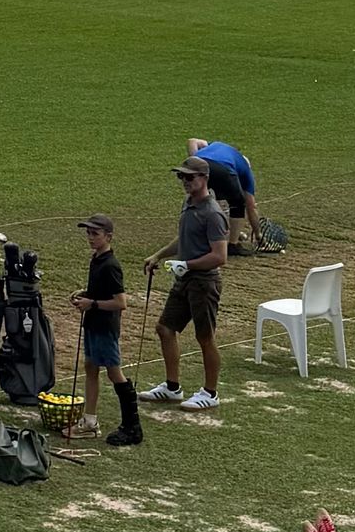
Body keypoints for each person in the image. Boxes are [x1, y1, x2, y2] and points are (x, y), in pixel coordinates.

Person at [142, 159, 230, 410]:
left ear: (204, 178)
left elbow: (219, 256)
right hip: (185, 278)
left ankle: (210, 393)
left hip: (204, 282)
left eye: (189, 178)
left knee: (205, 337)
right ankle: (172, 387)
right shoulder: (189, 204)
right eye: (182, 178)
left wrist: (188, 265)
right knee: (165, 329)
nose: (184, 182)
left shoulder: (213, 213)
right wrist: (158, 255)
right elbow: (184, 238)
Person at [71, 216, 140, 448]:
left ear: (108, 237)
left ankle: (132, 424)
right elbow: (100, 292)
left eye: (95, 234)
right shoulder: (97, 260)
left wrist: (92, 304)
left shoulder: (111, 265)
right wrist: (85, 294)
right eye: (88, 233)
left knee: (114, 373)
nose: (90, 238)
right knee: (90, 367)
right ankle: (89, 421)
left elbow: (120, 303)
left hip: (104, 327)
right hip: (93, 324)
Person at [186, 136, 263, 250]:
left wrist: (194, 161)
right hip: (220, 169)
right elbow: (251, 206)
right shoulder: (245, 168)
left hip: (194, 166)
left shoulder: (217, 145)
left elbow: (192, 141)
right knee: (237, 203)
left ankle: (193, 236)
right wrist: (258, 234)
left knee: (200, 201)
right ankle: (233, 245)